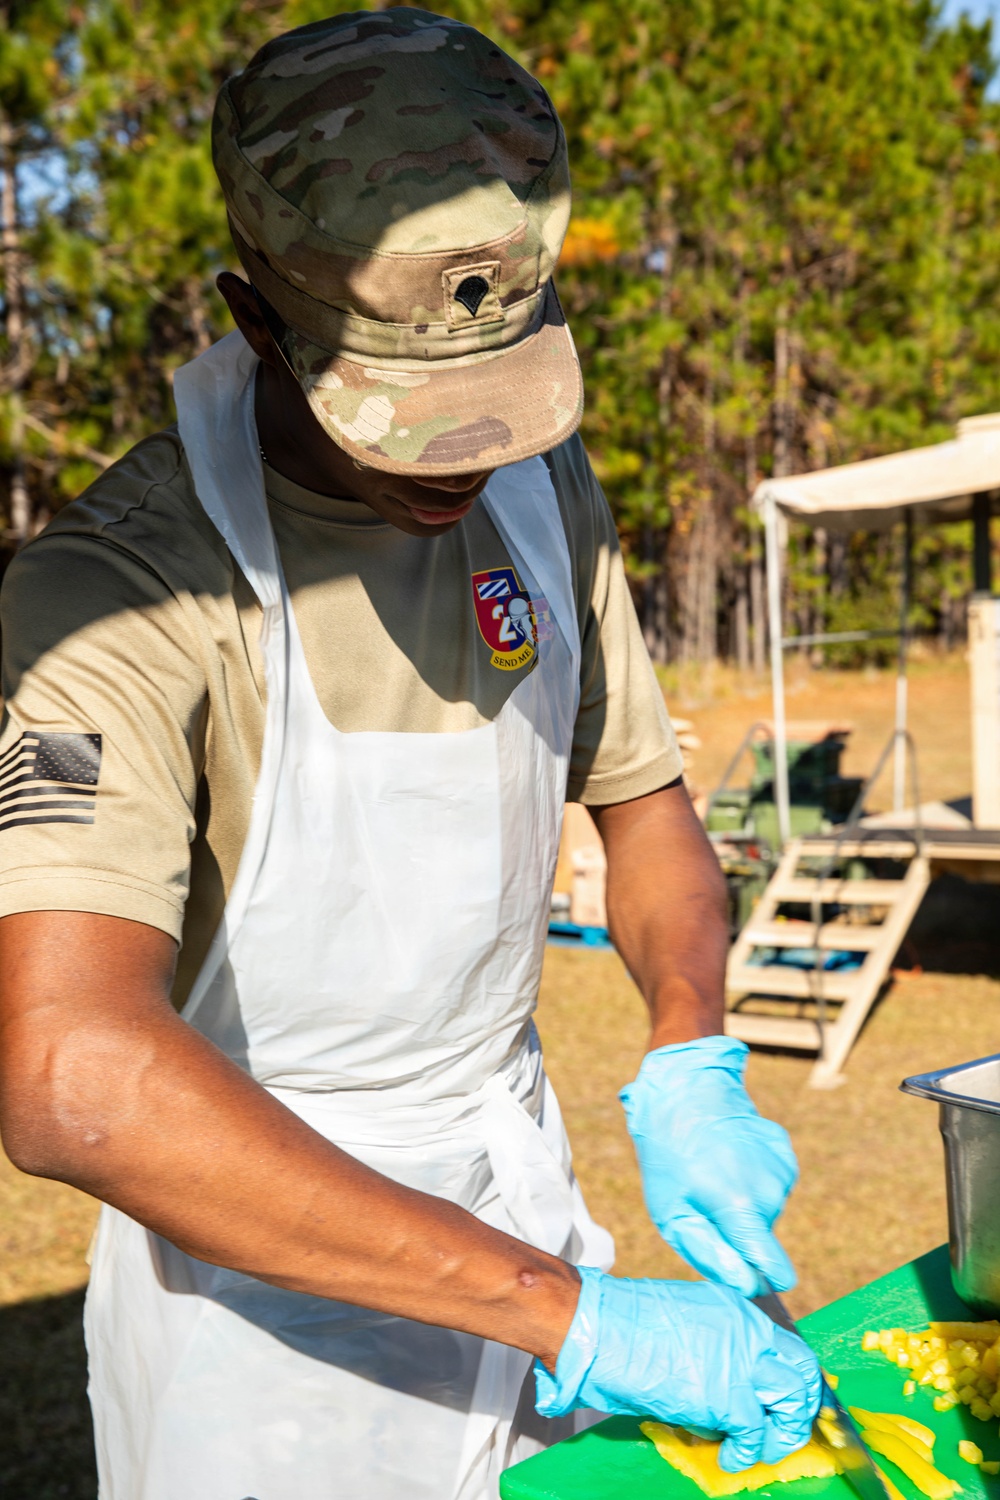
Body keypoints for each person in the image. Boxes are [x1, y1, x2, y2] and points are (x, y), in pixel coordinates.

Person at [0, 11, 820, 1500]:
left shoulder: (541, 487)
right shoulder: (120, 591)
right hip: (269, 1315)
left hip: (517, 1195)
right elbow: (74, 1072)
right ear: (256, 320)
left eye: (492, 410)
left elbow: (644, 809)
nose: (465, 463)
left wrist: (689, 1045)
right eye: (406, 419)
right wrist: (572, 1314)